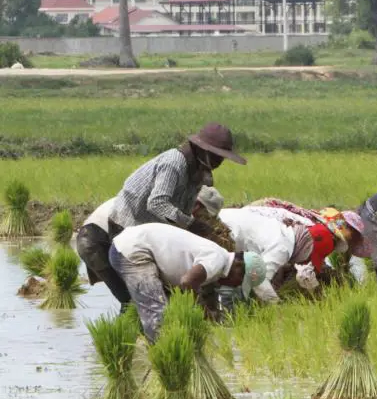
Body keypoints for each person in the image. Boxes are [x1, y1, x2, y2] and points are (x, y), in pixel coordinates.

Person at [109, 223, 266, 343]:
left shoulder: (217, 267)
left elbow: (197, 291)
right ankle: (165, 363)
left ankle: (150, 351)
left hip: (132, 245)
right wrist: (204, 313)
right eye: (240, 281)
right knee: (158, 315)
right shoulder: (217, 259)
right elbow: (187, 282)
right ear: (238, 266)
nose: (235, 286)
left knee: (173, 315)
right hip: (134, 249)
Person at [108, 122, 246, 239]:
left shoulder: (197, 173)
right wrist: (191, 224)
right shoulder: (174, 163)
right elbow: (157, 203)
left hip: (150, 229)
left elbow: (185, 210)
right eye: (217, 156)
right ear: (203, 150)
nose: (220, 161)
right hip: (128, 223)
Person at [219, 207, 315, 303]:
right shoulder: (283, 248)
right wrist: (276, 305)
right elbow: (258, 279)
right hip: (223, 232)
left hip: (220, 216)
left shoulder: (288, 225)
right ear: (304, 249)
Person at [74, 198, 131, 310]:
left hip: (86, 240)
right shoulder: (132, 206)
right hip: (94, 243)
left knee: (128, 298)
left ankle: (125, 325)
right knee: (129, 299)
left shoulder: (124, 199)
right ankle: (125, 325)